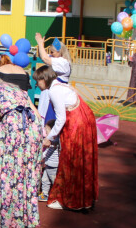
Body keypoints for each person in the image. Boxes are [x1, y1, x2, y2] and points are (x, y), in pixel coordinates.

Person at [0, 74, 43, 228]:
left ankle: (5, 226)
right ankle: (27, 222)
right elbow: (37, 115)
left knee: (7, 177)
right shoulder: (19, 90)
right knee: (27, 177)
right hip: (32, 132)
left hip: (12, 133)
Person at [32, 65, 99, 211]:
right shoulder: (63, 85)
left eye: (37, 81)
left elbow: (61, 118)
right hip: (84, 121)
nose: (37, 85)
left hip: (76, 124)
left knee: (71, 159)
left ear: (44, 79)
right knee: (82, 160)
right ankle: (84, 197)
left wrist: (49, 137)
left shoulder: (54, 91)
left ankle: (71, 199)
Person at [39, 120, 60, 202]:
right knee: (45, 180)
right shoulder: (51, 141)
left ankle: (57, 196)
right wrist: (41, 157)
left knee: (54, 181)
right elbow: (46, 152)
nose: (46, 135)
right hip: (48, 164)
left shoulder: (56, 141)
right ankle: (45, 194)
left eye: (47, 132)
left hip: (53, 166)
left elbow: (53, 144)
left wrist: (48, 142)